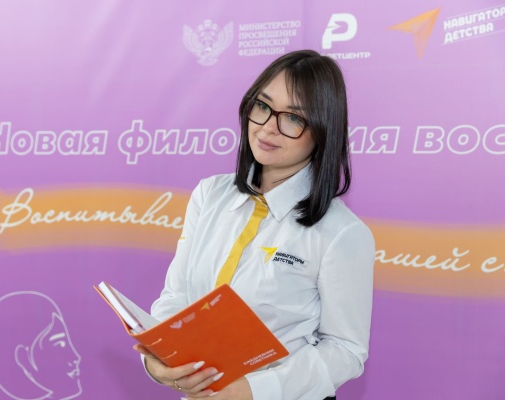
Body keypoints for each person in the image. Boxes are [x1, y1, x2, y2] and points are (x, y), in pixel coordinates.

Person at [134, 49, 375, 400]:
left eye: (293, 118)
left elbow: (345, 350)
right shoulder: (209, 195)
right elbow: (177, 297)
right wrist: (158, 361)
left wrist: (255, 389)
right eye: (262, 106)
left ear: (322, 132)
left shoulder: (342, 233)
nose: (268, 127)